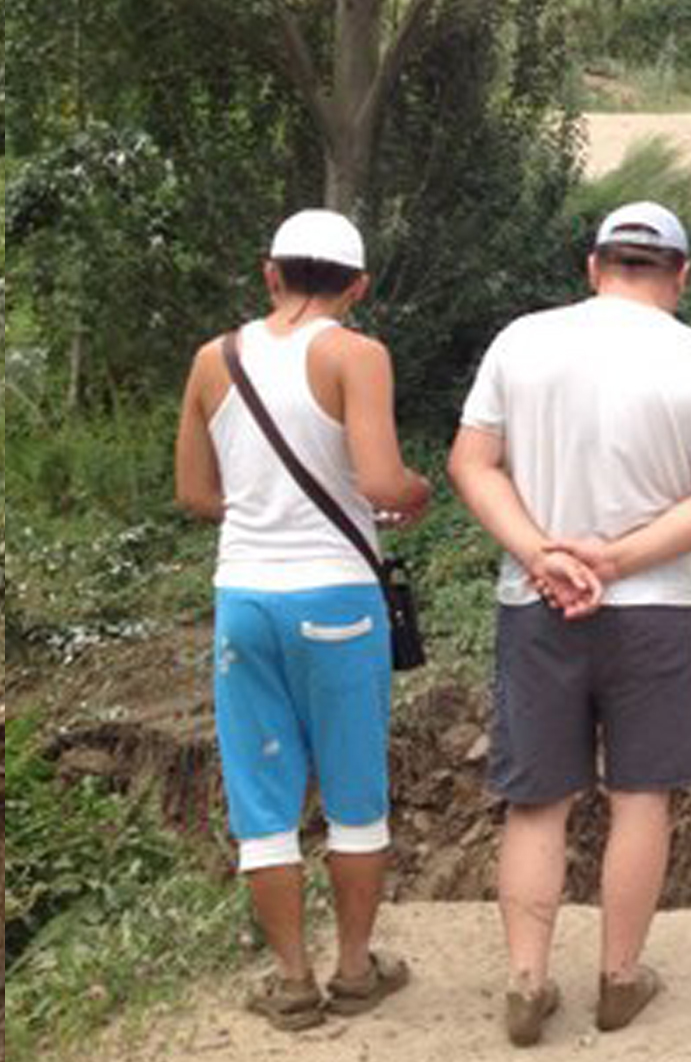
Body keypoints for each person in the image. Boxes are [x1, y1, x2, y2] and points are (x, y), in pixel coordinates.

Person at [448, 201, 691, 1047]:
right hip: (660, 609)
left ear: (593, 266)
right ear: (681, 275)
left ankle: (525, 982)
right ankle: (619, 978)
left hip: (537, 603)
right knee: (640, 795)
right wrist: (614, 561)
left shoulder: (522, 341)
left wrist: (540, 553)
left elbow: (471, 463)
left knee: (535, 802)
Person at [174, 208, 431, 1031]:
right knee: (354, 793)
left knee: (262, 799)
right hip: (336, 600)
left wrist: (263, 511)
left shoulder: (213, 359)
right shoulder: (356, 355)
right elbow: (382, 484)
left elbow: (196, 494)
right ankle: (354, 971)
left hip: (244, 600)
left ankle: (291, 982)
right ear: (358, 286)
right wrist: (419, 493)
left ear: (270, 273)